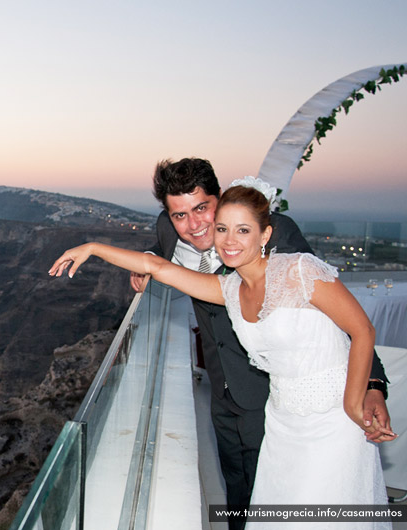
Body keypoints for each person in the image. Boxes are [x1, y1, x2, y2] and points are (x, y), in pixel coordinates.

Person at [49, 179, 396, 529]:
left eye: (243, 230)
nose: (230, 241)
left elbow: (361, 329)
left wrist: (359, 398)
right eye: (222, 229)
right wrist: (93, 247)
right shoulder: (230, 289)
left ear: (265, 235)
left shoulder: (299, 272)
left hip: (333, 417)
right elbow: (160, 268)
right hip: (282, 421)